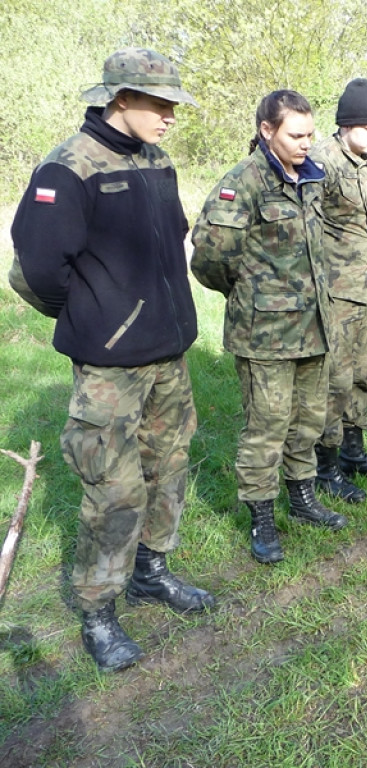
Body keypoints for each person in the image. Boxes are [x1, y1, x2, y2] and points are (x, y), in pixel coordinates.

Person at [8, 48, 214, 672]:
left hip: (169, 357)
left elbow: (170, 238)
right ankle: (99, 611)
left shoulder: (157, 160)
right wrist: (97, 319)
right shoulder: (68, 166)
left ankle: (153, 570)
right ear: (119, 98)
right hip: (110, 371)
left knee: (168, 468)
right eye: (160, 103)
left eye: (175, 104)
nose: (171, 115)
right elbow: (37, 270)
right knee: (113, 488)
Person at [191, 90, 348, 566]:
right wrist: (250, 296)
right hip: (266, 336)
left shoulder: (313, 177)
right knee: (266, 428)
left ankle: (301, 498)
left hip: (314, 327)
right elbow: (210, 257)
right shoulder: (244, 183)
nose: (307, 143)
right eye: (296, 135)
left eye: (310, 134)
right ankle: (262, 517)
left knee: (307, 422)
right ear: (267, 131)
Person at [310, 78, 367, 496]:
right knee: (335, 381)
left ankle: (353, 452)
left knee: (364, 375)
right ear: (345, 126)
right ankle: (324, 468)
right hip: (335, 295)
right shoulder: (320, 162)